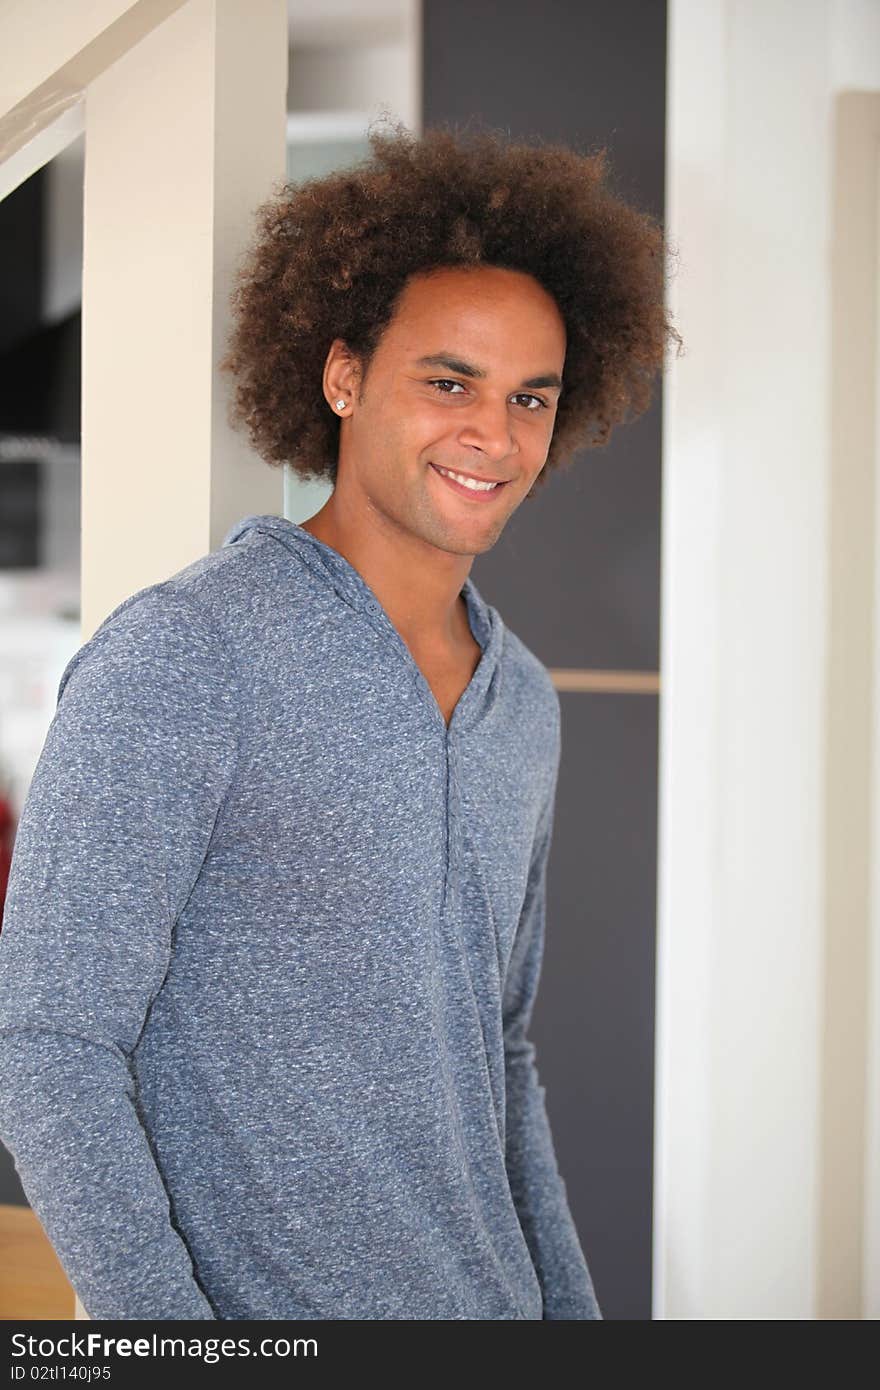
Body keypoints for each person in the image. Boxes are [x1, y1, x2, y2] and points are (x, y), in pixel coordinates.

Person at [0, 118, 678, 1320]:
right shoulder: (188, 654)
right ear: (342, 374)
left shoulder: (522, 702)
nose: (494, 433)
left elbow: (501, 1055)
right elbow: (51, 1043)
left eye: (531, 395)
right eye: (447, 381)